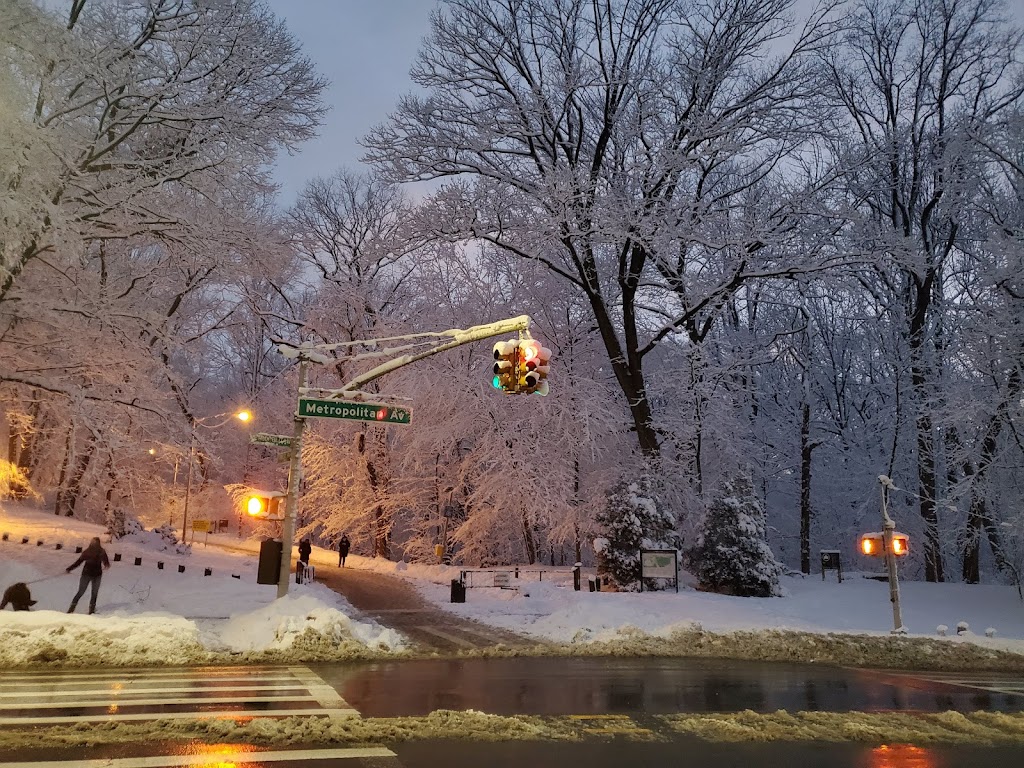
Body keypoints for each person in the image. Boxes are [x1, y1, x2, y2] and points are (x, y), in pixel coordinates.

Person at [66, 536, 110, 614]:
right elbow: (106, 562)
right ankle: (90, 610)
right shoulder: (99, 551)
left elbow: (78, 562)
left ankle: (72, 609)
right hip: (95, 575)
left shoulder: (89, 551)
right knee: (93, 593)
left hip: (89, 574)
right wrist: (106, 565)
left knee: (82, 592)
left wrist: (70, 568)